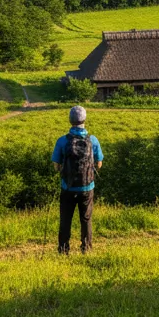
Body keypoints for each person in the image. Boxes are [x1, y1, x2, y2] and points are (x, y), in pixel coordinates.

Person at [51, 103, 103, 254]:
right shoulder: (93, 140)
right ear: (84, 119)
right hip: (87, 187)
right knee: (86, 219)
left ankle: (63, 249)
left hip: (67, 187)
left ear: (70, 120)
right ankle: (86, 249)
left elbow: (56, 165)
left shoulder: (62, 141)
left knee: (65, 219)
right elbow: (99, 164)